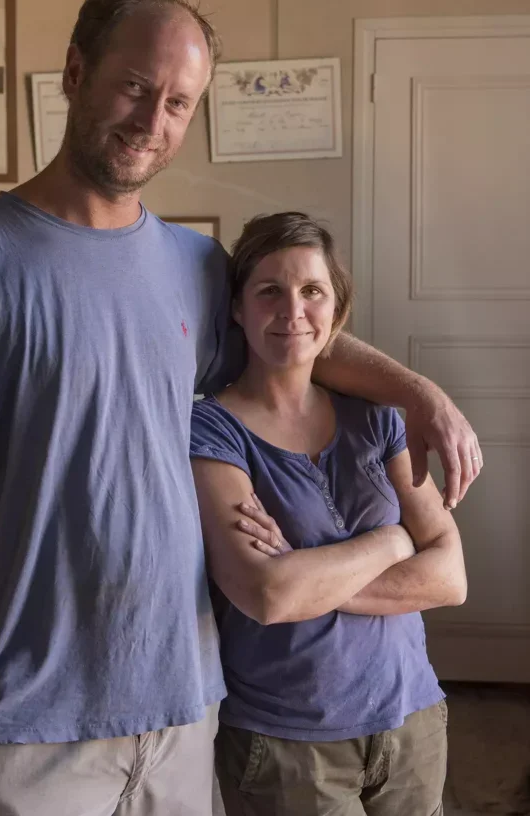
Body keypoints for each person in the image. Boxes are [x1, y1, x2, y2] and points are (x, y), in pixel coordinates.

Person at [0, 0, 480, 816]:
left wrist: (422, 395)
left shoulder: (196, 268)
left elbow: (304, 343)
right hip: (29, 721)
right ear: (76, 72)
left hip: (186, 705)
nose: (153, 122)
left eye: (180, 103)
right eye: (135, 86)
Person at [190, 211, 468, 816]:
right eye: (269, 291)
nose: (292, 310)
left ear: (335, 310)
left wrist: (307, 576)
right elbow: (267, 596)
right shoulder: (211, 430)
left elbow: (449, 578)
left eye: (312, 291)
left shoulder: (378, 416)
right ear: (237, 309)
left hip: (412, 718)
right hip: (287, 742)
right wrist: (397, 540)